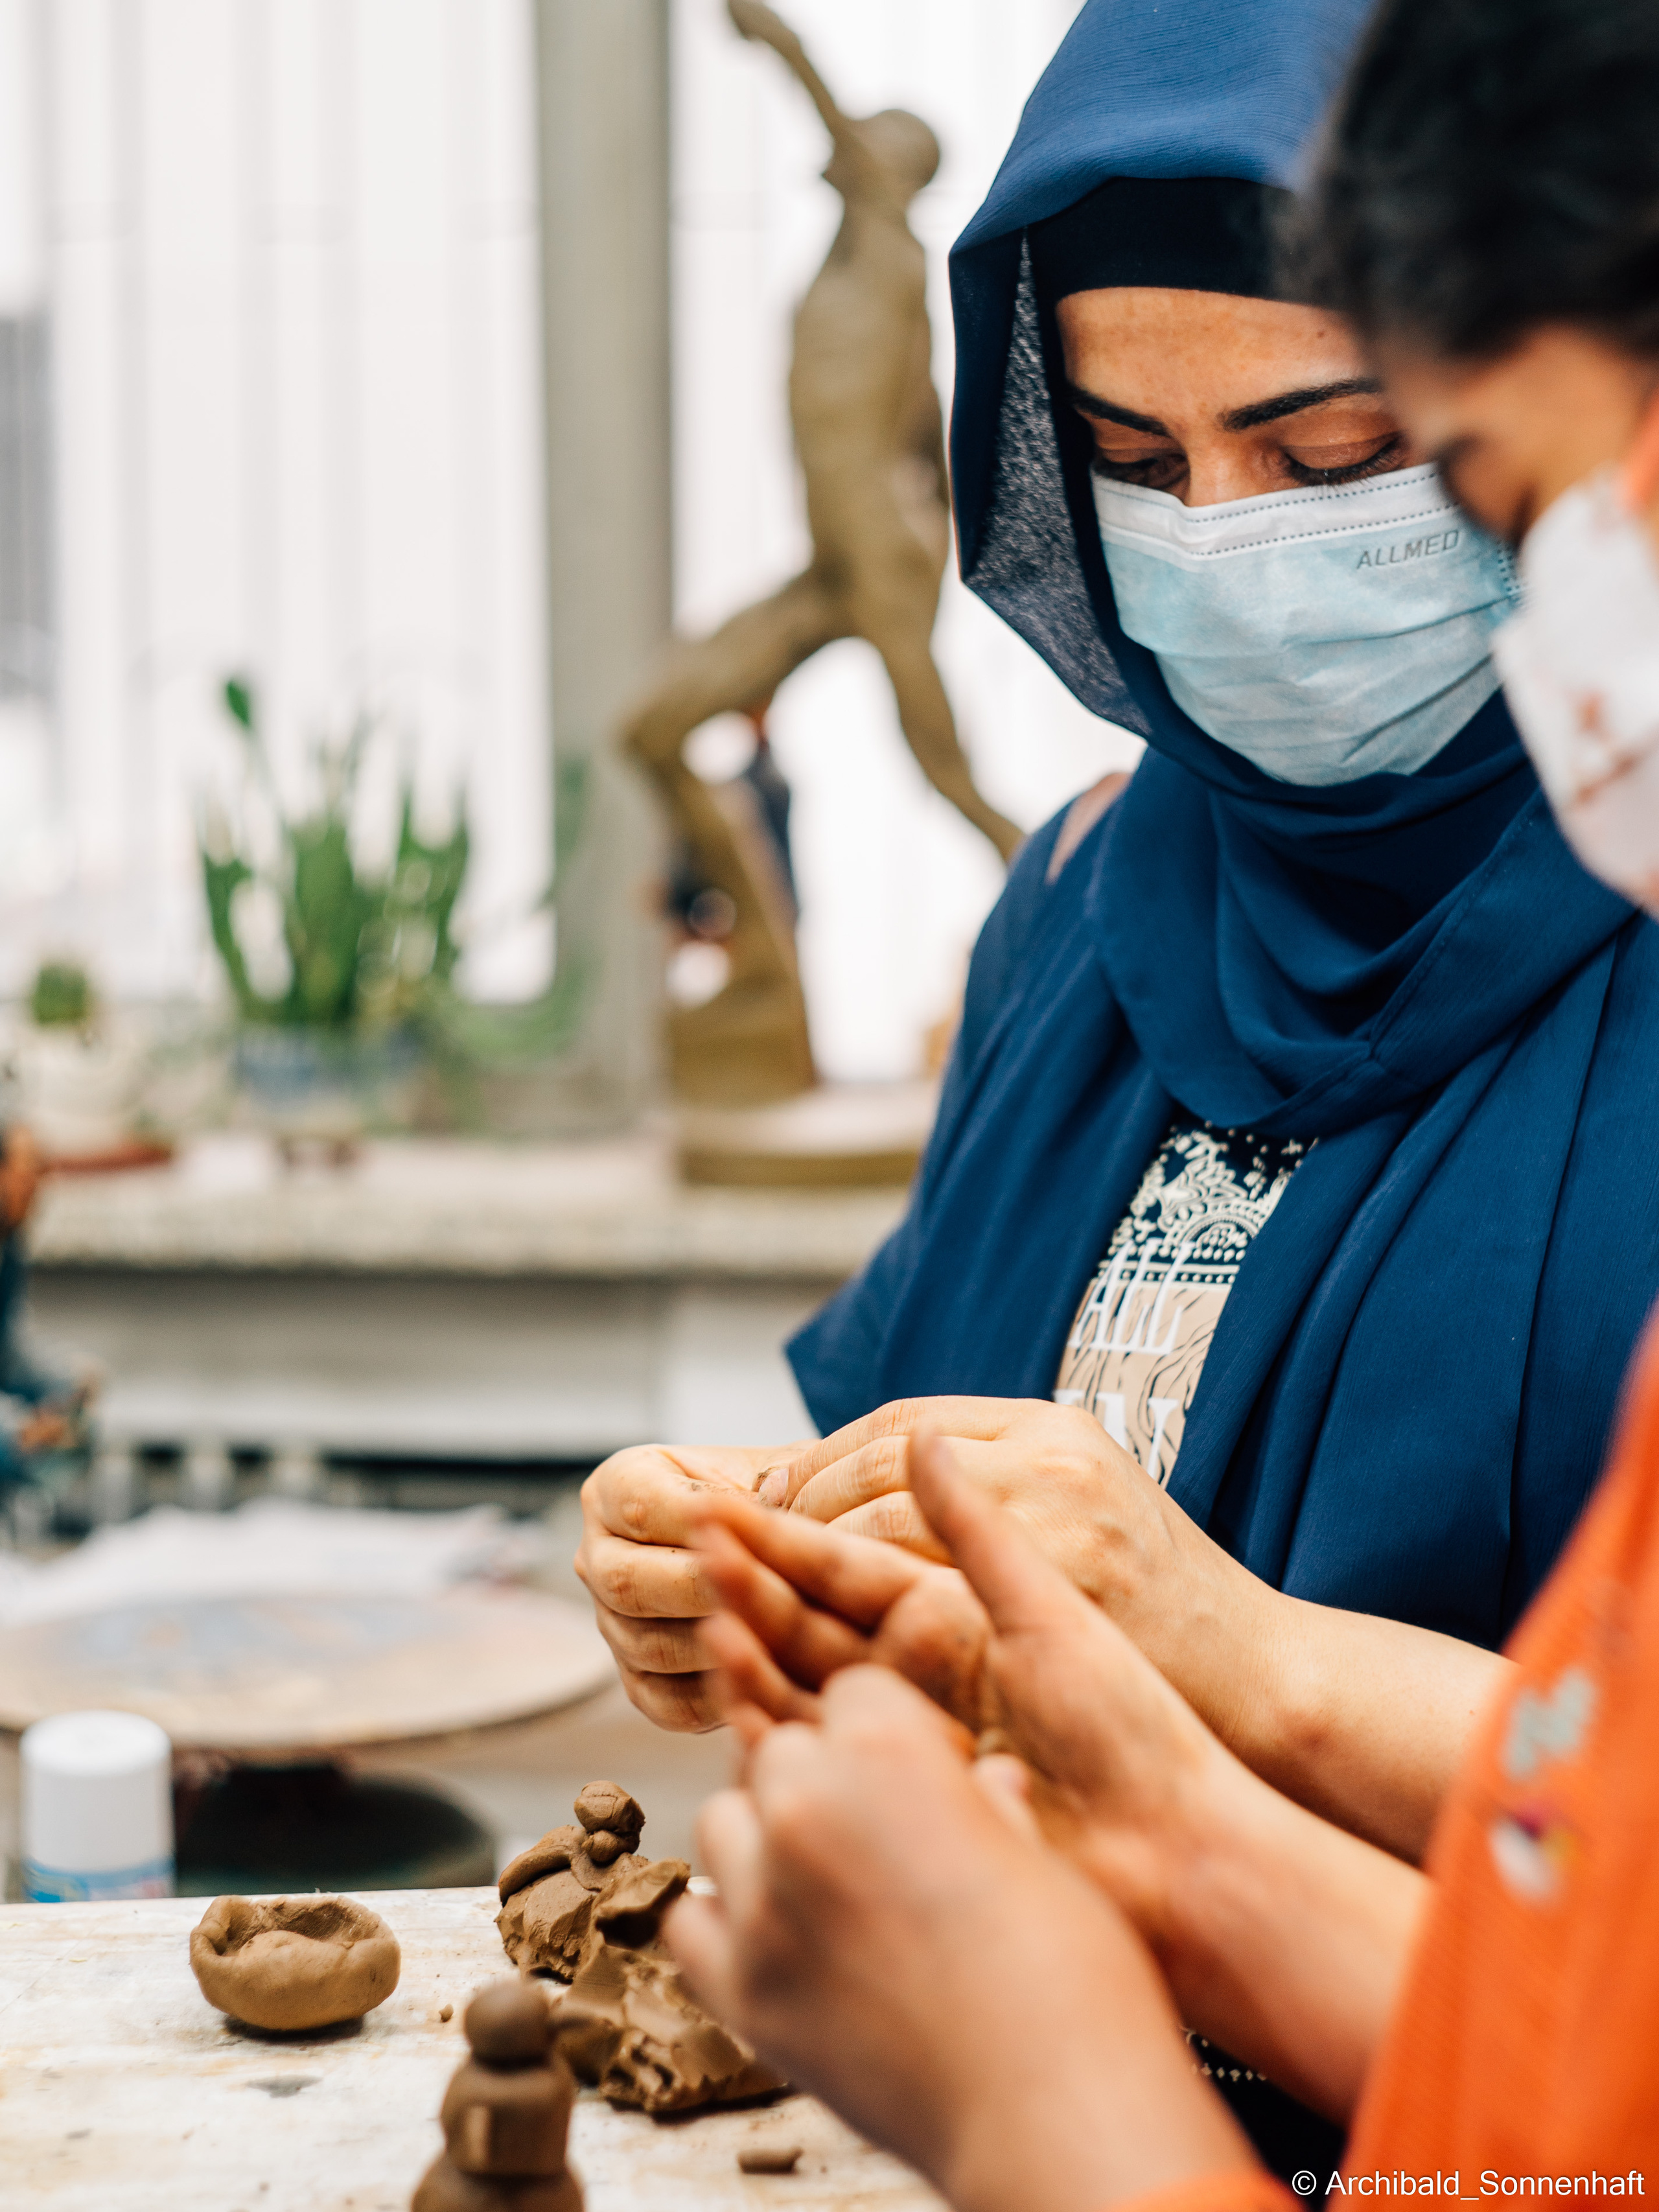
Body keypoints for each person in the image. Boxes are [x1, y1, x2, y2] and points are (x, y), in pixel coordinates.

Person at [655, 0, 1659, 2205]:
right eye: (1128, 462)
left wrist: (1233, 1679)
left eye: (1344, 464)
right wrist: (769, 1545)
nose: (1228, 554)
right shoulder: (1093, 899)